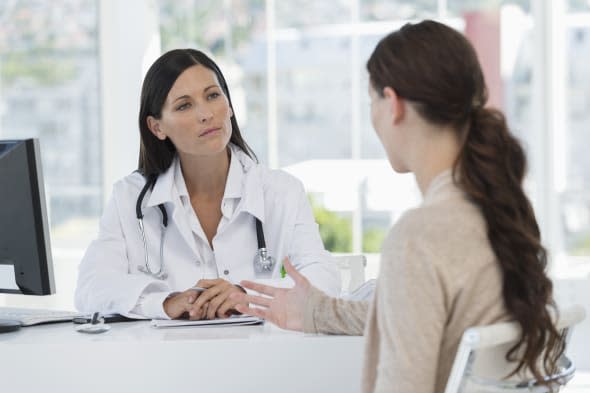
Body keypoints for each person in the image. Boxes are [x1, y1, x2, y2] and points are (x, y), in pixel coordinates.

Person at [232, 20, 564, 393]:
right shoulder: (499, 213)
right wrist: (316, 311)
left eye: (371, 100)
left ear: (393, 104)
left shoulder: (419, 237)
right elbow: (420, 318)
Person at [74, 49, 340, 320]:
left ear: (230, 105)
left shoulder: (281, 191)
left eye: (213, 96)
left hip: (263, 360)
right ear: (157, 127)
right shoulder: (129, 198)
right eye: (184, 105)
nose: (206, 114)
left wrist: (246, 296)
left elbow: (323, 276)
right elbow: (91, 288)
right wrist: (164, 303)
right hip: (165, 360)